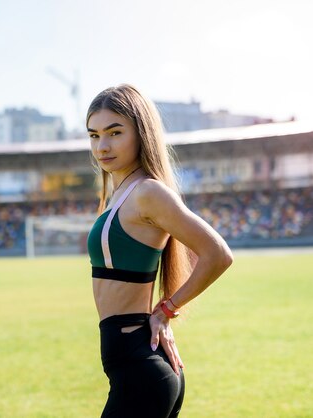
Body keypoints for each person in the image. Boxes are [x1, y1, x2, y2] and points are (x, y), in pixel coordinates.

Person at [86, 84, 233, 418]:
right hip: (133, 365)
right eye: (94, 135)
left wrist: (166, 310)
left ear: (141, 133)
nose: (102, 146)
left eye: (115, 132)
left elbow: (217, 254)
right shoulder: (122, 193)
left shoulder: (147, 192)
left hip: (141, 369)